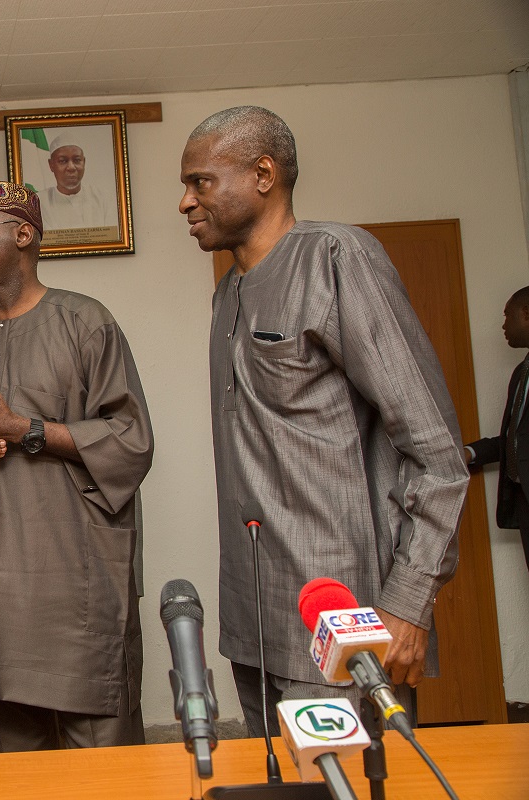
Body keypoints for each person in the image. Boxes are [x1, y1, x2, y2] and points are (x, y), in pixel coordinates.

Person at [179, 105, 468, 737]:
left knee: (350, 786)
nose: (185, 202)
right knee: (278, 781)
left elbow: (438, 453)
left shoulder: (337, 257)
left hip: (340, 614)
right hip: (254, 619)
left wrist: (408, 602)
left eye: (200, 181)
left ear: (262, 174)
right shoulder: (228, 289)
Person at [0, 179, 153, 753]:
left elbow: (131, 439)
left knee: (102, 758)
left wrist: (25, 430)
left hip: (79, 579)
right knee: (9, 756)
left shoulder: (85, 322)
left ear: (24, 234)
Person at [465, 285, 529, 572]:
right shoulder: (522, 373)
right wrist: (468, 453)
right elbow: (514, 439)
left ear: (526, 314)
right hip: (523, 501)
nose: (504, 325)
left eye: (507, 316)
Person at [38, 136, 116, 230]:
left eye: (77, 160)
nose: (71, 167)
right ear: (51, 165)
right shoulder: (39, 202)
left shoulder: (103, 199)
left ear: (84, 162)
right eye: (63, 161)